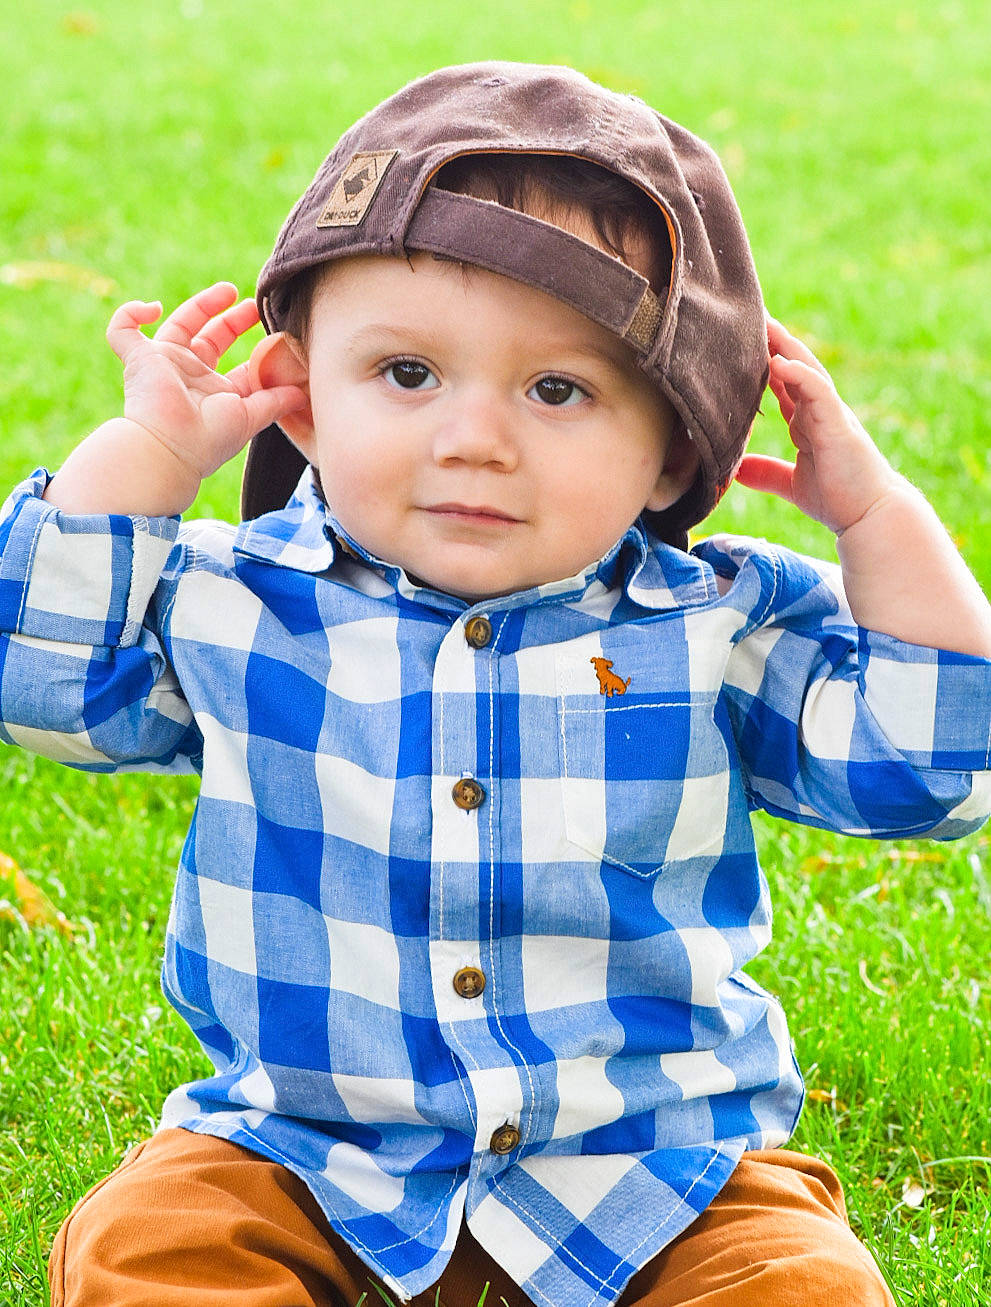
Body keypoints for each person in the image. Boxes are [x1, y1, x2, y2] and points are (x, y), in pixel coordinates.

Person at [4, 61, 989, 1307]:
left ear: (673, 447)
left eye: (557, 389)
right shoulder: (237, 602)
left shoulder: (714, 624)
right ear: (299, 400)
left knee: (794, 1283)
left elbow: (932, 771)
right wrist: (146, 454)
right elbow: (45, 686)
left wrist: (876, 514)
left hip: (659, 1168)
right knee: (152, 1244)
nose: (473, 439)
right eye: (406, 374)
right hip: (304, 1153)